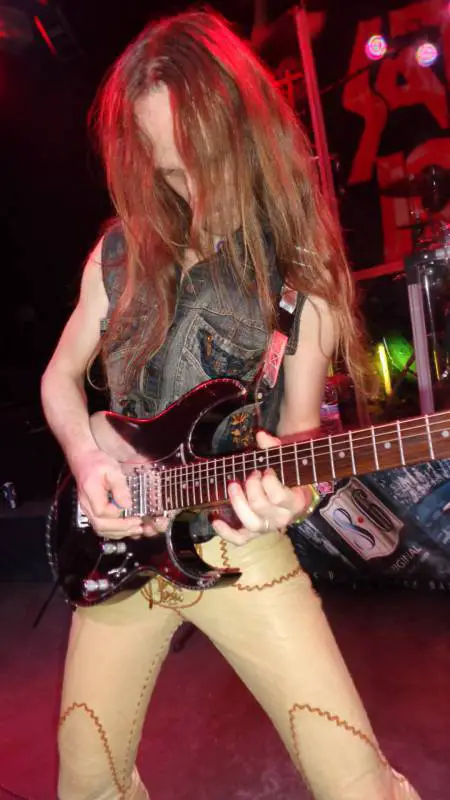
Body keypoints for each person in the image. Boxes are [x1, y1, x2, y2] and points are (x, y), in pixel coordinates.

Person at [41, 10, 420, 800]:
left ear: (243, 136)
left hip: (237, 547)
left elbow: (299, 445)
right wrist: (86, 458)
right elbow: (60, 378)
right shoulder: (117, 254)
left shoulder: (301, 279)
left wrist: (290, 497)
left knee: (357, 784)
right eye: (168, 169)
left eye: (203, 160)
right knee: (86, 781)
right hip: (123, 550)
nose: (193, 191)